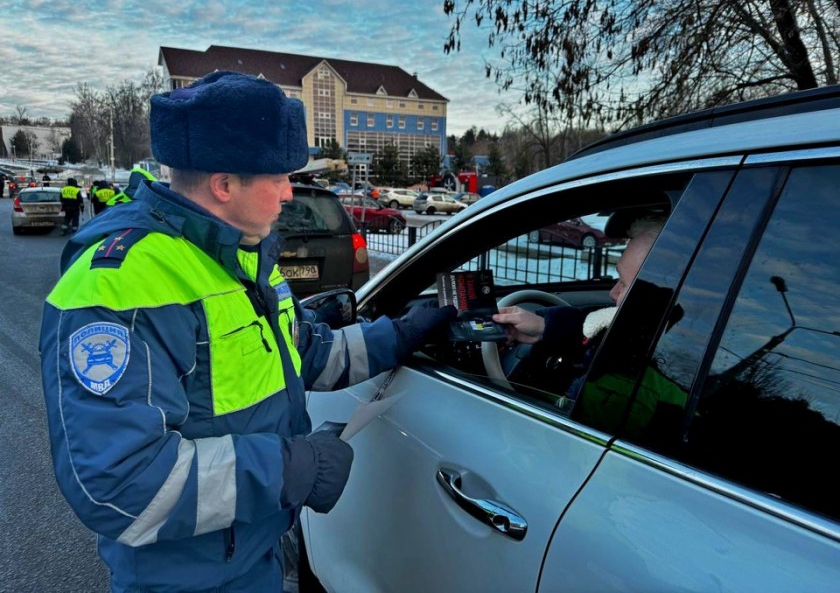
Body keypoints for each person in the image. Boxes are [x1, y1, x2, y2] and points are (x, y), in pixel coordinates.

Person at [40, 70, 455, 592]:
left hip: (250, 553)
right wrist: (293, 468)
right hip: (183, 578)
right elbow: (121, 482)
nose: (289, 192)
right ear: (224, 184)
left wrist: (401, 334)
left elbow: (301, 351)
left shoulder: (237, 253)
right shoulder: (125, 283)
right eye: (278, 177)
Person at [492, 216, 685, 435]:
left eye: (623, 283)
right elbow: (597, 323)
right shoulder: (655, 342)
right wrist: (546, 327)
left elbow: (558, 442)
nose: (612, 293)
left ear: (653, 299)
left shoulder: (626, 386)